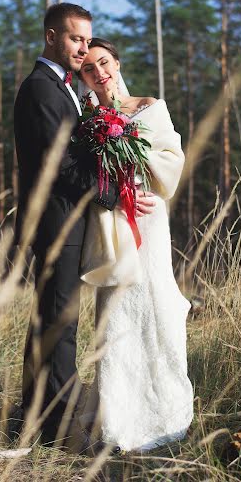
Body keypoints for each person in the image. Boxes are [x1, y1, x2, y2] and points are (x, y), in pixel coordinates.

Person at [13, 4, 155, 452]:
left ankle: (37, 420)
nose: (84, 47)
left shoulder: (64, 87)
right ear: (52, 36)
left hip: (67, 218)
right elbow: (59, 163)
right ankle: (55, 431)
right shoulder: (41, 89)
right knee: (60, 323)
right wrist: (112, 196)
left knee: (54, 321)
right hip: (57, 221)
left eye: (88, 39)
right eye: (76, 39)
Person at [77, 38, 194, 452]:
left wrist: (145, 172)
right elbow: (81, 171)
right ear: (83, 77)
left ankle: (164, 408)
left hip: (148, 214)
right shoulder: (88, 118)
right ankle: (120, 413)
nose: (100, 73)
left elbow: (172, 156)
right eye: (90, 69)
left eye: (104, 63)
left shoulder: (150, 106)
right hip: (112, 222)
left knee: (158, 301)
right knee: (116, 310)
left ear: (116, 63)